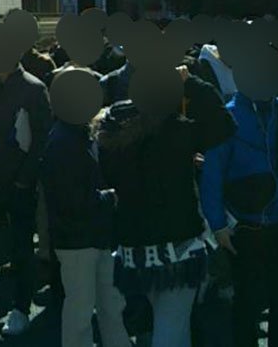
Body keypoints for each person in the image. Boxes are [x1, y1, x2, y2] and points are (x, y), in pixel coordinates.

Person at [95, 68, 235, 347]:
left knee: (155, 325)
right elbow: (224, 125)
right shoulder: (178, 131)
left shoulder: (110, 130)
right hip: (178, 249)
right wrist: (191, 83)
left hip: (133, 249)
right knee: (172, 330)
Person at [200, 91, 278, 347]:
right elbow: (212, 174)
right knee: (247, 302)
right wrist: (218, 225)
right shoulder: (226, 117)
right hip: (244, 226)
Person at [0, 61, 52, 335]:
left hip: (21, 185)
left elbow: (42, 138)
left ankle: (21, 309)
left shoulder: (34, 88)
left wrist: (24, 179)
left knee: (22, 248)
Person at [42, 114, 131, 347]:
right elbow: (71, 200)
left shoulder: (73, 135)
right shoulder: (63, 142)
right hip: (76, 239)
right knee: (81, 311)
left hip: (92, 235)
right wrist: (108, 197)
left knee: (110, 305)